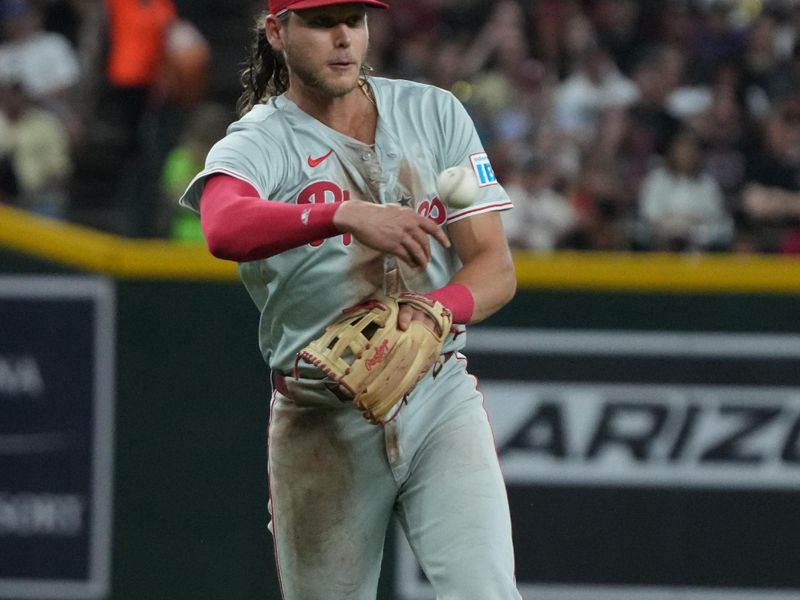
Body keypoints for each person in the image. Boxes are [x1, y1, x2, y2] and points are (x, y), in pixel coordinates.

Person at [178, 1, 520, 599]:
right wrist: (340, 213)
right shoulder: (262, 140)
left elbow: (494, 265)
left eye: (354, 20)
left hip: (436, 392)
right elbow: (222, 226)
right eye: (319, 22)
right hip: (320, 417)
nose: (342, 37)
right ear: (278, 32)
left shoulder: (435, 115)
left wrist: (435, 309)